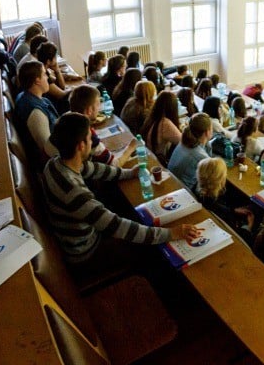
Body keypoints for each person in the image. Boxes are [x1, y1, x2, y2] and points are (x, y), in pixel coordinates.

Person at [43, 114, 200, 271]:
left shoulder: (55, 163)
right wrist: (171, 233)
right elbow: (118, 226)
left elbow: (93, 169)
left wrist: (129, 173)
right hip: (87, 253)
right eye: (90, 138)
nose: (92, 142)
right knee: (152, 253)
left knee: (130, 212)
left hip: (77, 237)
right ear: (81, 146)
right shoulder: (75, 193)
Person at [14, 61, 60, 165]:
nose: (47, 77)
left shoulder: (26, 95)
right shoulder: (36, 113)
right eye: (44, 74)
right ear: (37, 81)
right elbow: (49, 151)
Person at [195, 157, 254, 232]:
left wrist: (233, 210)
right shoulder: (220, 212)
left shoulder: (197, 188)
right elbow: (236, 233)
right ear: (221, 180)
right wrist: (249, 225)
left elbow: (219, 207)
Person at [67, 84, 114, 165]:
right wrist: (131, 147)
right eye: (98, 105)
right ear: (89, 110)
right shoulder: (87, 134)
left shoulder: (66, 118)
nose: (99, 109)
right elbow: (113, 164)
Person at [168, 113, 212, 192]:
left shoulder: (185, 141)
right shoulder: (200, 156)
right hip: (185, 192)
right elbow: (210, 179)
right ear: (207, 132)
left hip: (173, 183)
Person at [140, 91, 182, 163]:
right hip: (157, 160)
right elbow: (183, 141)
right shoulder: (165, 123)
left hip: (150, 154)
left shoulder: (152, 117)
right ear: (173, 108)